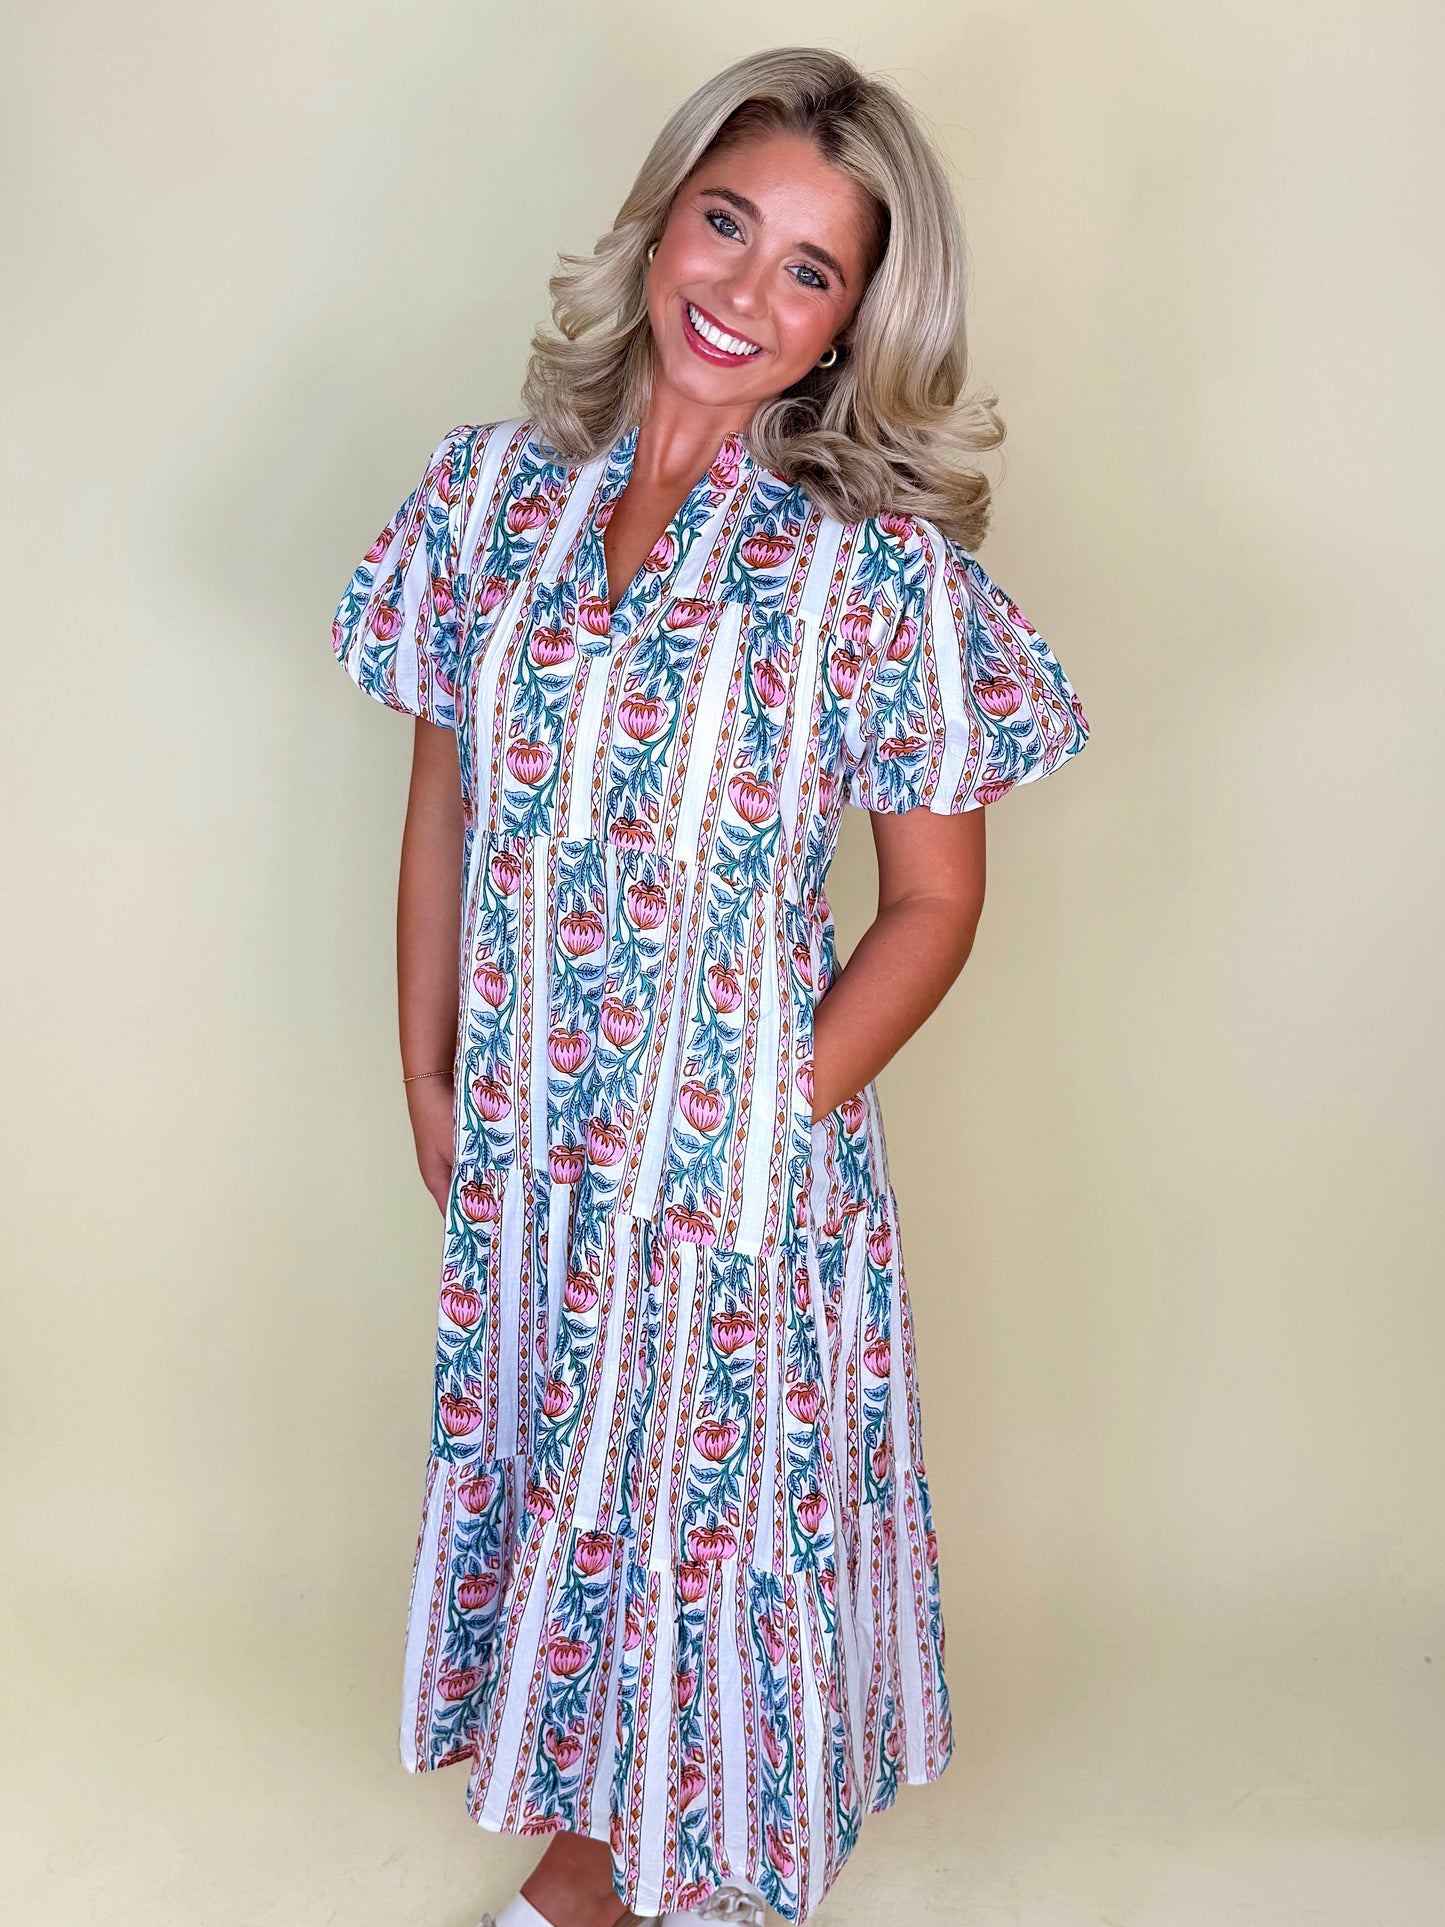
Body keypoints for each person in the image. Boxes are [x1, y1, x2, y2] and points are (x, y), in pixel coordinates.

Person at [330, 45, 1090, 1927]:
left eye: (808, 268)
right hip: (526, 1151)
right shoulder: (485, 504)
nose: (745, 289)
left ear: (852, 322)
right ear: (661, 217)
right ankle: (616, 1853)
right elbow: (444, 804)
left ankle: (645, 1880)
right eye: (726, 222)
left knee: (699, 1516)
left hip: (739, 1164)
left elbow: (932, 902)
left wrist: (757, 1110)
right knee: (566, 1485)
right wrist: (427, 1076)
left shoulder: (870, 579)